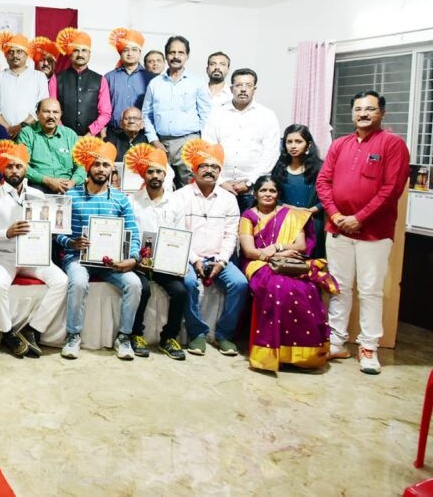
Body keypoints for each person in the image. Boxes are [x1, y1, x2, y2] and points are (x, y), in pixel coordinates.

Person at [316, 90, 410, 375]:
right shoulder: (340, 144)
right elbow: (323, 182)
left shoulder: (392, 144)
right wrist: (336, 215)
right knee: (339, 287)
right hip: (338, 228)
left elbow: (391, 189)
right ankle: (337, 341)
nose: (363, 114)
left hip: (374, 233)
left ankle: (368, 346)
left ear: (382, 112)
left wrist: (359, 218)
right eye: (358, 109)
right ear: (352, 113)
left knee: (370, 290)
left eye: (370, 109)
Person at [56, 137, 145, 361]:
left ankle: (124, 337)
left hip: (110, 262)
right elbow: (56, 233)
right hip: (77, 258)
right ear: (88, 168)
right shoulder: (71, 196)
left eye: (106, 165)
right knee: (78, 282)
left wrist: (133, 258)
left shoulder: (120, 199)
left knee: (134, 284)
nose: (101, 169)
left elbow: (133, 232)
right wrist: (71, 243)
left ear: (111, 169)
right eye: (96, 164)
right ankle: (73, 335)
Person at [239, 175, 339, 372]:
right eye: (263, 190)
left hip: (288, 262)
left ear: (278, 194)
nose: (268, 194)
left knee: (307, 288)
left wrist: (277, 247)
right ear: (256, 194)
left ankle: (301, 355)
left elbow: (300, 246)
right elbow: (250, 251)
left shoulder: (292, 215)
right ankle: (273, 352)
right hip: (257, 263)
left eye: (272, 191)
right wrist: (275, 255)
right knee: (276, 287)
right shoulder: (248, 216)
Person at [0, 141, 67, 358]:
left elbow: (48, 226)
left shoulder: (38, 196)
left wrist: (52, 230)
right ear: (2, 169)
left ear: (25, 168)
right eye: (9, 166)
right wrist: (6, 233)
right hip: (3, 256)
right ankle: (8, 333)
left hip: (34, 255)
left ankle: (33, 329)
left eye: (18, 166)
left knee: (62, 281)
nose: (14, 171)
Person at [169, 138, 248, 357]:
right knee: (188, 282)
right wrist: (194, 260)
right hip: (188, 257)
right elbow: (178, 233)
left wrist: (222, 261)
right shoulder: (180, 196)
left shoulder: (229, 199)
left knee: (240, 284)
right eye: (204, 166)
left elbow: (231, 235)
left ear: (220, 172)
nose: (209, 170)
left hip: (218, 258)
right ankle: (197, 333)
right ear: (194, 170)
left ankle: (224, 335)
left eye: (215, 167)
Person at [124, 144, 196, 360]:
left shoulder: (175, 202)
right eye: (150, 171)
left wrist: (178, 262)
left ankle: (168, 337)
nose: (155, 176)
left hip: (166, 263)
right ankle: (136, 335)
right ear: (143, 175)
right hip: (139, 262)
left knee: (180, 291)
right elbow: (128, 233)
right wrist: (136, 258)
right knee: (143, 289)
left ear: (165, 174)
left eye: (159, 171)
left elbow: (180, 234)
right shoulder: (132, 201)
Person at [202, 68, 281, 211]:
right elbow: (207, 149)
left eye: (248, 85)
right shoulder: (217, 114)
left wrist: (250, 182)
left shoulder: (267, 116)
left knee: (250, 225)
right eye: (239, 85)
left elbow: (271, 153)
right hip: (220, 187)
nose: (243, 89)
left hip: (253, 190)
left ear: (254, 89)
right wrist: (221, 181)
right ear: (231, 88)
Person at [141, 35, 211, 187]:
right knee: (161, 187)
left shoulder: (197, 82)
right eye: (172, 52)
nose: (176, 56)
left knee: (189, 187)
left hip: (188, 143)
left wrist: (197, 142)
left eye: (180, 53)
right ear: (166, 55)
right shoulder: (155, 84)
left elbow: (206, 114)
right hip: (161, 143)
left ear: (187, 56)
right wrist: (154, 141)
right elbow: (146, 115)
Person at [271, 124, 325, 257]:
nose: (293, 146)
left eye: (298, 141)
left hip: (313, 221)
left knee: (312, 262)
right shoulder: (279, 167)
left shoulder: (320, 168)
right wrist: (291, 209)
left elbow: (329, 196)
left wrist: (310, 211)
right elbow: (273, 196)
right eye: (289, 142)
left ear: (308, 145)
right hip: (286, 221)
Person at [16, 98, 86, 194]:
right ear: (37, 114)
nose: (51, 116)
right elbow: (22, 165)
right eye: (46, 111)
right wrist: (47, 181)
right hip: (38, 186)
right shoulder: (27, 133)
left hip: (68, 186)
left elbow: (81, 165)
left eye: (55, 112)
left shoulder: (70, 135)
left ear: (60, 114)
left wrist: (73, 182)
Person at [0, 31, 49, 139]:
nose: (15, 55)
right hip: (2, 134)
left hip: (32, 133)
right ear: (6, 56)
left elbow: (42, 106)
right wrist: (7, 128)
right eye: (11, 52)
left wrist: (22, 126)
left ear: (27, 54)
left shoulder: (39, 77)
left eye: (19, 51)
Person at [54, 28, 111, 138]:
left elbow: (105, 113)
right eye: (76, 50)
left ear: (89, 53)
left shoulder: (100, 80)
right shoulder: (56, 78)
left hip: (91, 139)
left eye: (84, 50)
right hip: (62, 137)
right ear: (70, 53)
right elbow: (52, 111)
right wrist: (65, 134)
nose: (80, 54)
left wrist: (90, 133)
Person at [104, 27, 154, 138]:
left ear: (140, 52)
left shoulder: (150, 79)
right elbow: (103, 108)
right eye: (126, 50)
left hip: (142, 133)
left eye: (134, 50)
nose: (130, 53)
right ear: (120, 53)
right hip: (114, 132)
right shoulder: (109, 77)